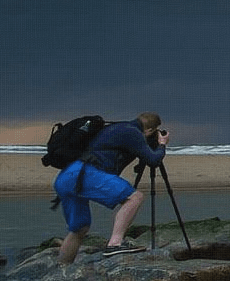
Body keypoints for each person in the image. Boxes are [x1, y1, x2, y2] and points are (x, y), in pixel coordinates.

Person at [53, 112, 169, 263]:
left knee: (79, 229)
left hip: (67, 176)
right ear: (150, 130)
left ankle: (61, 268)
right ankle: (115, 244)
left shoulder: (117, 127)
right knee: (135, 197)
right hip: (86, 174)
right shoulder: (133, 132)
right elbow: (153, 160)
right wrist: (162, 144)